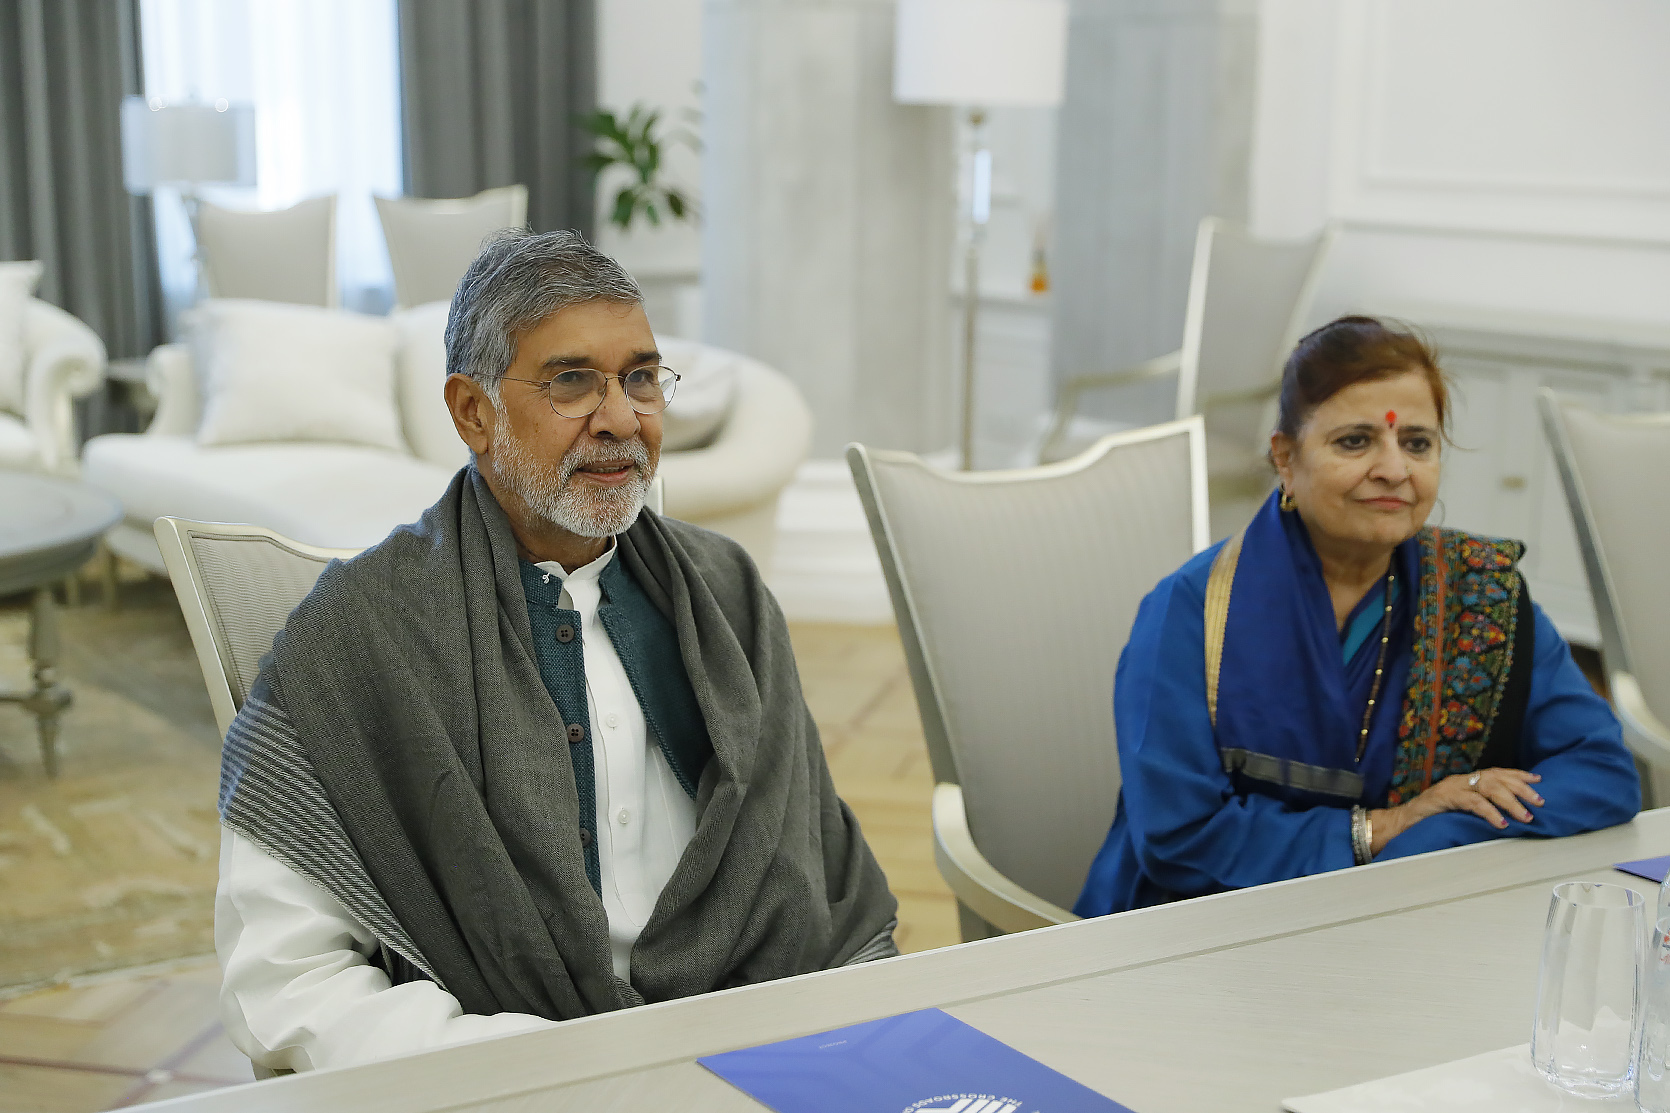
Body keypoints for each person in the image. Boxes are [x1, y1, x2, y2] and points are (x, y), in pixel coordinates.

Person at [214, 229, 898, 1072]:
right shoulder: (359, 636)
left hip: (761, 1051)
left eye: (640, 378)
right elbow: (288, 976)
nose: (621, 419)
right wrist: (541, 1068)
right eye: (572, 381)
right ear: (473, 412)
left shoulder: (728, 596)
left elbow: (823, 894)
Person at [1075, 316, 1639, 917]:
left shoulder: (1481, 596)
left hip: (1406, 920)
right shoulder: (1193, 612)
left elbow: (1601, 772)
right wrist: (1388, 829)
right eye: (1355, 442)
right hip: (1197, 929)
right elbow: (1180, 838)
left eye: (1416, 443)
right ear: (1285, 458)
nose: (1394, 470)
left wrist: (1443, 829)